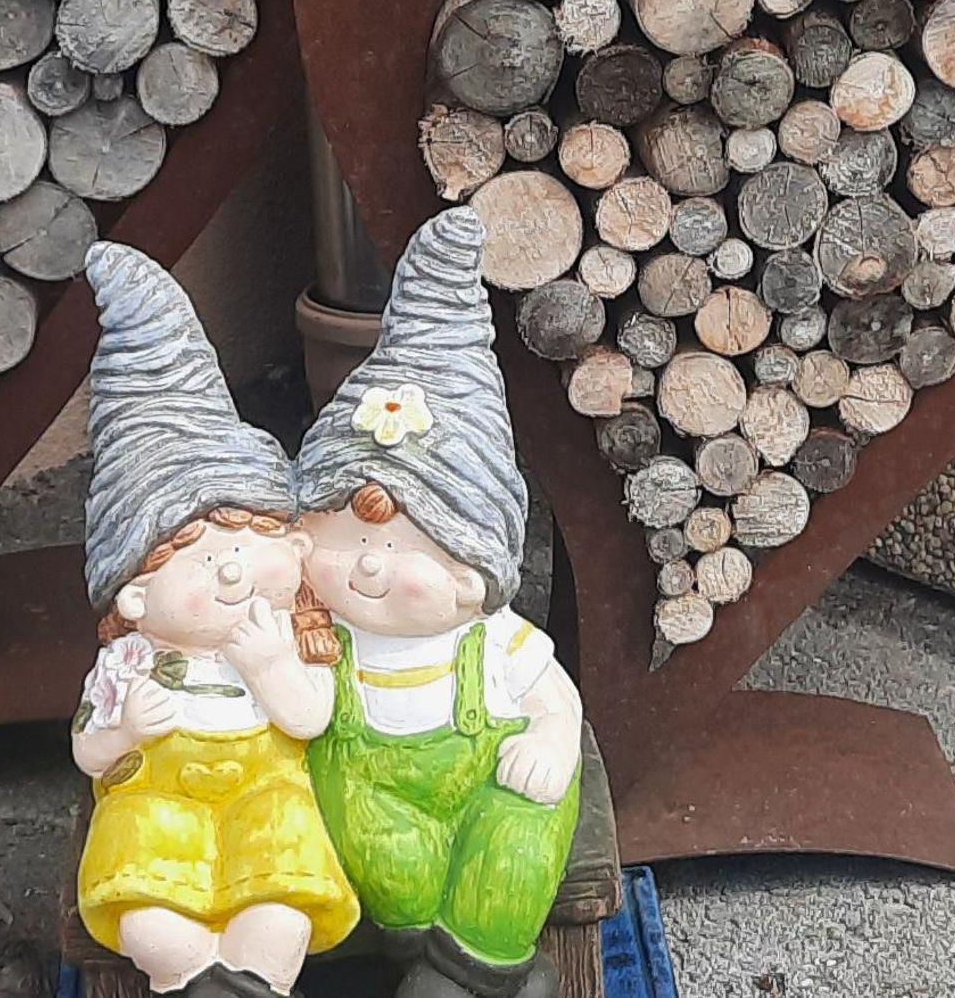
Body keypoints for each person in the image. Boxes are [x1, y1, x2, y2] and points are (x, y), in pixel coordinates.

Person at [297, 207, 584, 998]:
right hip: (376, 794)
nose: (369, 565)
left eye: (402, 549)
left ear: (474, 568)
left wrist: (553, 737)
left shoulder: (492, 638)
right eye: (347, 538)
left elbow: (553, 697)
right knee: (374, 839)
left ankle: (469, 967)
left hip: (492, 778)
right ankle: (463, 966)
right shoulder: (318, 627)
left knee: (516, 843)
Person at [73, 241, 358, 997]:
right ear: (136, 598)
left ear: (293, 548)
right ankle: (203, 979)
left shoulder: (287, 635)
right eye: (198, 559)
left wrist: (270, 668)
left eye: (247, 542)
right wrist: (122, 733)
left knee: (281, 910)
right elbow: (88, 752)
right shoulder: (129, 662)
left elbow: (309, 719)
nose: (231, 569)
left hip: (266, 800)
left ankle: (242, 982)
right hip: (154, 805)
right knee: (149, 917)